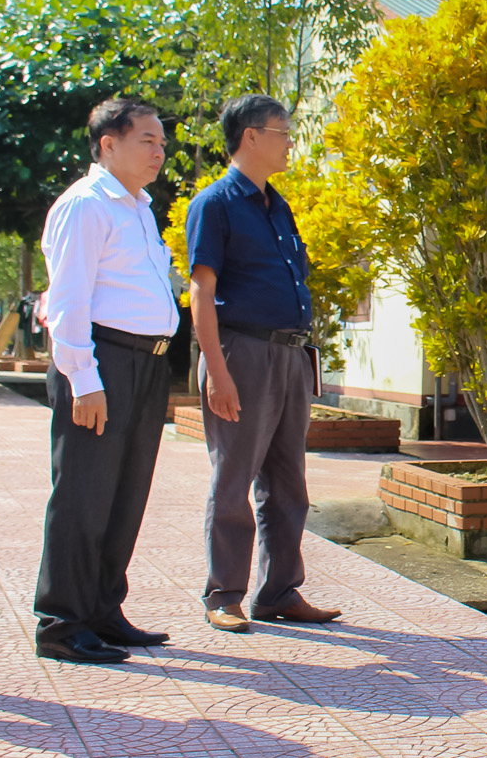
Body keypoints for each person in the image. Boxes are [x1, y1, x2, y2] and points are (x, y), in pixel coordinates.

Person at [31, 98, 181, 665]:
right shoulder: (86, 205)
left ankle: (101, 608)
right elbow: (67, 300)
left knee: (125, 493)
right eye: (147, 140)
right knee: (84, 494)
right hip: (103, 361)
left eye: (161, 143)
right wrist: (83, 379)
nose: (159, 152)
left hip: (145, 364)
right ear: (108, 144)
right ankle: (62, 622)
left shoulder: (138, 207)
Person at [185, 95, 339, 633]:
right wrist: (217, 371)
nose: (290, 142)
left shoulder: (279, 205)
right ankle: (223, 594)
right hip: (242, 353)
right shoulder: (215, 204)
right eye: (283, 132)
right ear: (250, 136)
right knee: (233, 478)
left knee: (287, 482)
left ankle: (279, 592)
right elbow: (201, 292)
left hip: (289, 355)